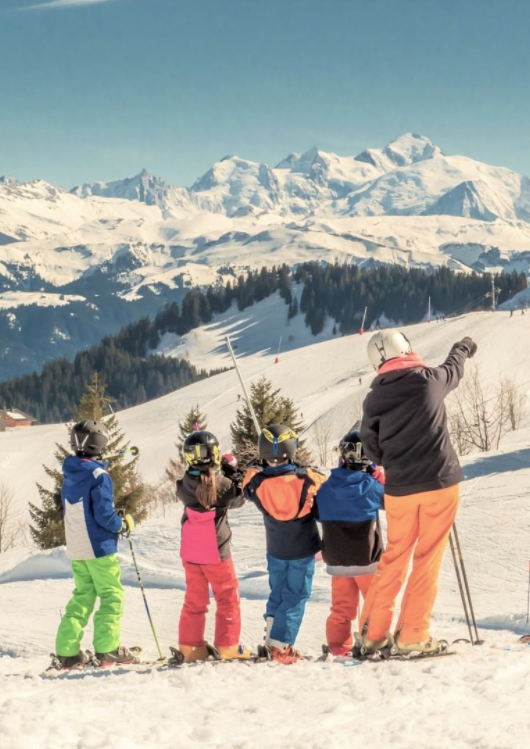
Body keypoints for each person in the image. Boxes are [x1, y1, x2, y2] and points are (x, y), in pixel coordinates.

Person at [358, 330, 477, 655]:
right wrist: (463, 346)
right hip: (439, 483)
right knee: (427, 559)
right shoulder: (430, 380)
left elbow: (371, 448)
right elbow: (454, 368)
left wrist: (393, 460)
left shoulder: (374, 399)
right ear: (407, 349)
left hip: (399, 489)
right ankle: (412, 634)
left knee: (395, 556)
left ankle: (374, 634)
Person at [52, 419, 135, 669]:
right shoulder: (100, 476)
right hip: (98, 546)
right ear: (100, 443)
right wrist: (123, 525)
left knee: (83, 595)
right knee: (111, 595)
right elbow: (104, 515)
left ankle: (67, 652)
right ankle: (108, 649)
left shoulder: (71, 471)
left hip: (77, 547)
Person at [243, 424, 326, 663]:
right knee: (297, 594)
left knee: (279, 591)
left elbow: (246, 484)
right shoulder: (306, 478)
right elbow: (323, 482)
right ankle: (281, 644)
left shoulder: (256, 483)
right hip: (302, 547)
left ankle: (271, 637)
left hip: (276, 548)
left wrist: (259, 469)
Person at [177, 431, 251, 662]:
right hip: (215, 551)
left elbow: (200, 482)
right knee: (228, 598)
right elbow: (240, 497)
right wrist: (235, 474)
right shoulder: (224, 485)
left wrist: (224, 473)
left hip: (190, 551)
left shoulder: (183, 485)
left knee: (194, 600)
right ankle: (228, 645)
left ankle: (190, 647)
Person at [314, 430, 385, 656]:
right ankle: (372, 642)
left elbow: (316, 512)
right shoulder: (372, 487)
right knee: (373, 604)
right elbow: (391, 500)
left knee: (341, 608)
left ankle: (337, 646)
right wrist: (378, 476)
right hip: (367, 558)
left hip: (337, 560)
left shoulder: (325, 488)